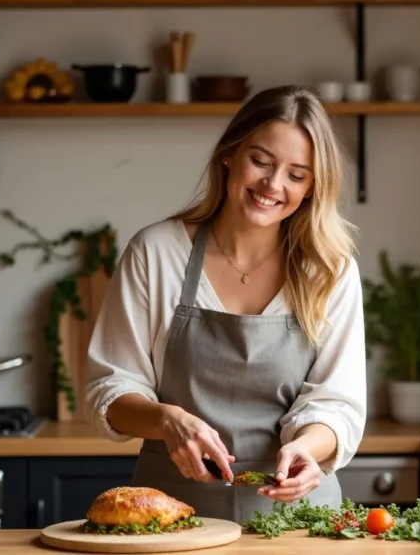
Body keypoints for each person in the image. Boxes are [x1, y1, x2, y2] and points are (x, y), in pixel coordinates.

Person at [83, 85, 367, 524]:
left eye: (296, 174)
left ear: (312, 187)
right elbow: (110, 390)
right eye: (261, 161)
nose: (273, 185)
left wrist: (308, 448)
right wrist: (167, 419)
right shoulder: (156, 253)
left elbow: (338, 402)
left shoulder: (328, 270)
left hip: (297, 524)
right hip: (170, 521)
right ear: (229, 154)